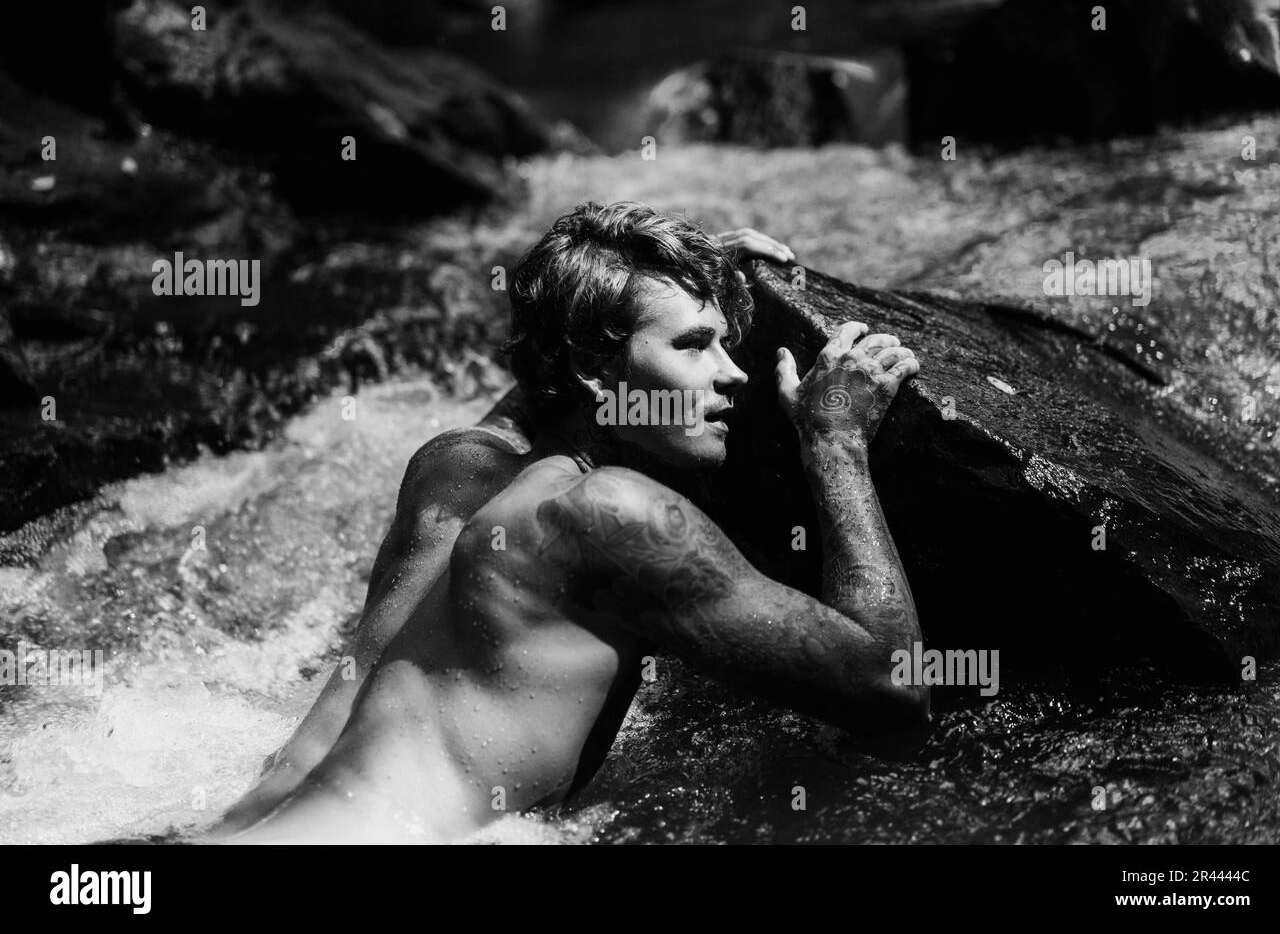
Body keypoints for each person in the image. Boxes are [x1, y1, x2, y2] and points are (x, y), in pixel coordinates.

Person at [208, 201, 928, 843]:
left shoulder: (457, 469)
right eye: (691, 346)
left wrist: (645, 284)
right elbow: (892, 691)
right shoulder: (610, 514)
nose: (733, 372)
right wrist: (836, 441)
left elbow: (547, 386)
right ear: (590, 367)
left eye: (723, 342)